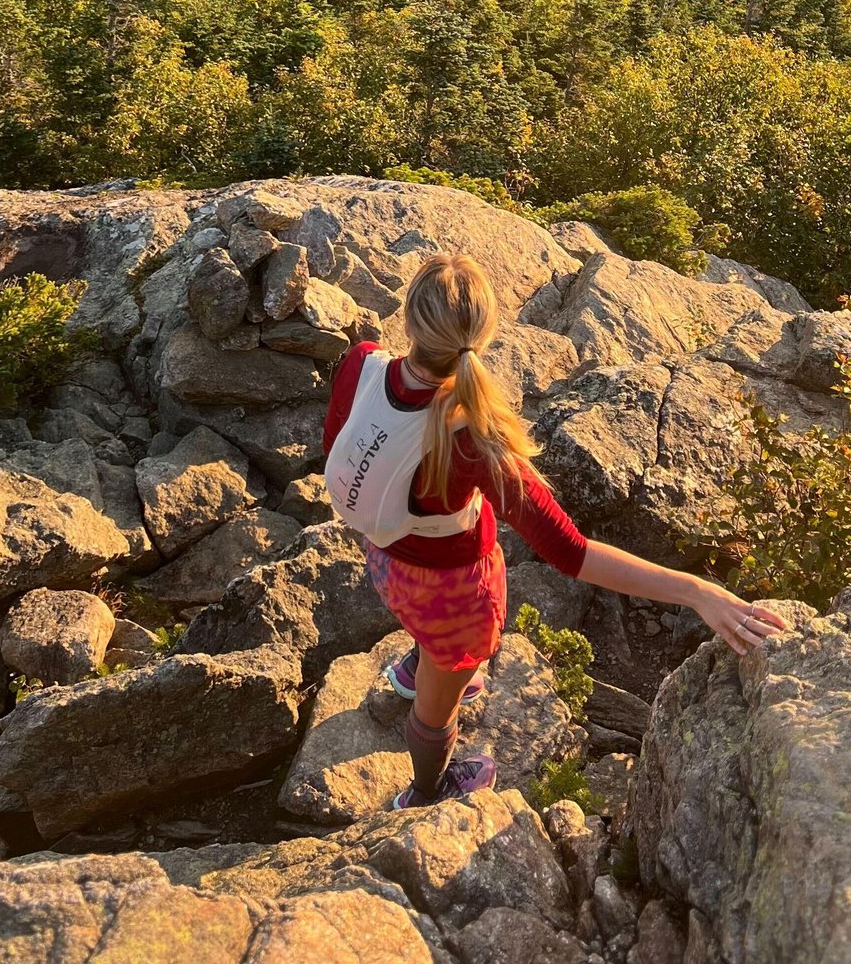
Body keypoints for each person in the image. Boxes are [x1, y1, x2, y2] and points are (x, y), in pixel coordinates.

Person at [322, 251, 787, 809]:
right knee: (436, 708)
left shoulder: (362, 363)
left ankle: (420, 665)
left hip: (384, 559)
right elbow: (571, 552)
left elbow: (342, 449)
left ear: (409, 320)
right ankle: (423, 791)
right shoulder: (474, 440)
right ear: (484, 337)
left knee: (430, 640)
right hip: (450, 597)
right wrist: (694, 590)